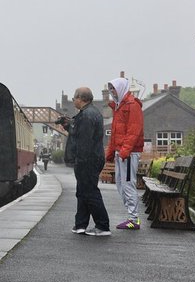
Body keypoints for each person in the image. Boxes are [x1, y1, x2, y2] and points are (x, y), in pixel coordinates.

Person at [58, 86, 109, 236]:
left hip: (88, 160)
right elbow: (79, 134)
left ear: (81, 98)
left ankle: (103, 226)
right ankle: (80, 224)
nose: (73, 100)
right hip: (91, 158)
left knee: (90, 192)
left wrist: (80, 160)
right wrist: (69, 126)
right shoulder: (90, 113)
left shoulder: (87, 116)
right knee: (82, 192)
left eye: (75, 97)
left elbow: (84, 141)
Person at [105, 76, 145, 230]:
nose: (112, 92)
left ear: (120, 88)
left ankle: (133, 219)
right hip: (122, 152)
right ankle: (131, 216)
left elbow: (134, 130)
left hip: (128, 153)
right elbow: (115, 134)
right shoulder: (119, 106)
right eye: (110, 89)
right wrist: (111, 152)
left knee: (128, 184)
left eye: (113, 88)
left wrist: (124, 151)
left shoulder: (132, 105)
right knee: (121, 184)